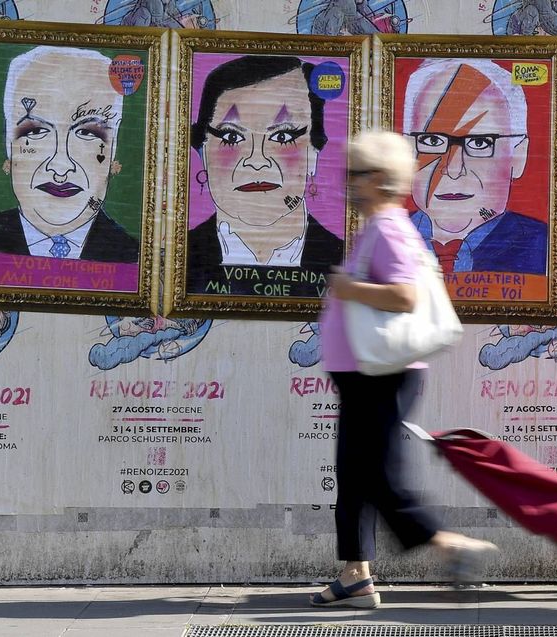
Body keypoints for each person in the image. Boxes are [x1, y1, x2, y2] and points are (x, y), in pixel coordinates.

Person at [314, 131, 497, 609]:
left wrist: (348, 289)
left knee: (375, 475)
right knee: (354, 475)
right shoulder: (379, 226)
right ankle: (355, 573)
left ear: (377, 179)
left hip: (382, 374)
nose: (347, 185)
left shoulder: (389, 228)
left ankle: (449, 544)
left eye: (354, 176)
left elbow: (405, 296)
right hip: (366, 374)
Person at [187, 55, 344, 293]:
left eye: (282, 136)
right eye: (231, 137)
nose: (256, 160)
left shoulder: (345, 264)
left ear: (314, 151)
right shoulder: (176, 263)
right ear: (202, 150)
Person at [0, 46, 139, 264]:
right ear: (9, 143)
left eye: (86, 132)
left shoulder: (135, 260)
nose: (60, 165)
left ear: (114, 146)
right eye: (35, 131)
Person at [403, 58, 547, 275]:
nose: (453, 169)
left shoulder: (548, 253)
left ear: (518, 155)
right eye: (432, 141)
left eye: (480, 143)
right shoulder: (385, 240)